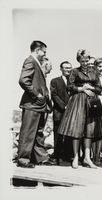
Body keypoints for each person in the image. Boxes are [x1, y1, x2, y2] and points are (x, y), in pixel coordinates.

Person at [57, 50, 102, 169]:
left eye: (87, 60)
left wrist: (91, 88)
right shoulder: (74, 71)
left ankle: (87, 158)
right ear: (79, 60)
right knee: (76, 130)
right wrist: (82, 88)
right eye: (82, 61)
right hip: (78, 102)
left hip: (92, 102)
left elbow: (99, 89)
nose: (85, 63)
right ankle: (76, 157)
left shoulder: (94, 72)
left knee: (90, 130)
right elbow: (70, 86)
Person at [17, 40, 55, 168]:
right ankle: (23, 160)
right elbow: (23, 80)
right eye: (44, 52)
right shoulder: (30, 61)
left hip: (39, 105)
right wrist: (37, 95)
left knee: (38, 132)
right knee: (28, 132)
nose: (45, 54)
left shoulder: (37, 63)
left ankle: (41, 158)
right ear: (38, 50)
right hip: (32, 104)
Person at [50, 61, 73, 164]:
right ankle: (56, 156)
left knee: (69, 135)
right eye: (65, 68)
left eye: (69, 68)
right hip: (59, 112)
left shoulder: (73, 81)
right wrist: (64, 106)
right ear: (61, 69)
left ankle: (68, 156)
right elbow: (54, 95)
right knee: (58, 135)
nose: (68, 70)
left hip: (72, 113)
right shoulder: (54, 81)